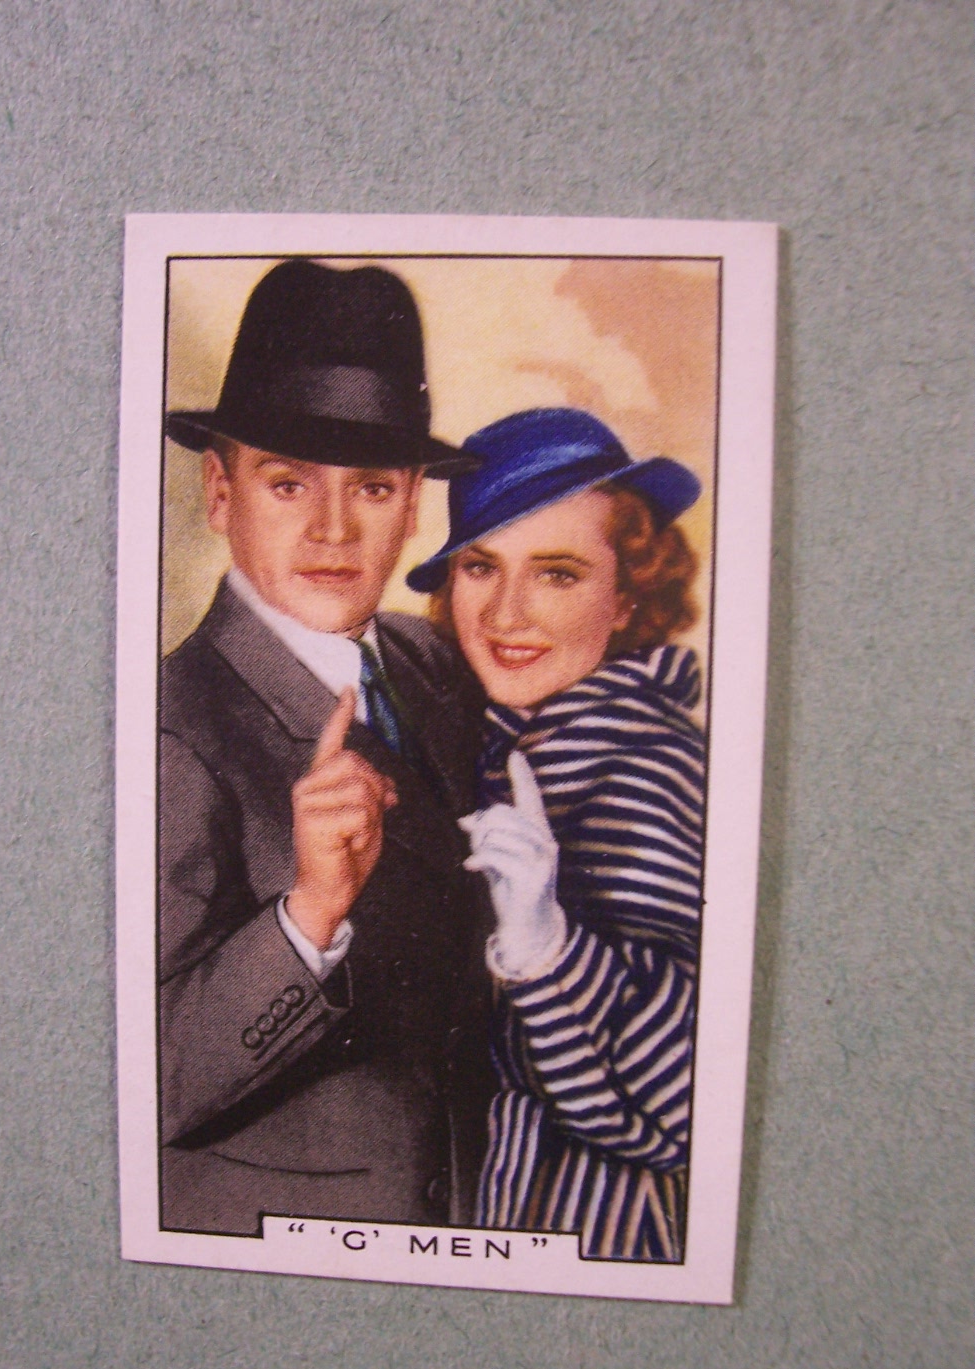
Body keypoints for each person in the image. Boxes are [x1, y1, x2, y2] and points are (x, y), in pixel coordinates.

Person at [158, 258, 491, 1236]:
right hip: (284, 1248)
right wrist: (309, 914)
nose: (334, 529)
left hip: (472, 1223)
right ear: (220, 492)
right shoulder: (174, 725)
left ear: (414, 505)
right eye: (289, 482)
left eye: (373, 487)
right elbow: (152, 1078)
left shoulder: (439, 663)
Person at [406, 406, 704, 1262]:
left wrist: (548, 949)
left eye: (558, 574)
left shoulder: (649, 769)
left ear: (627, 598)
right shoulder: (489, 746)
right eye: (480, 567)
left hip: (604, 1245)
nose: (506, 613)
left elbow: (686, 1105)